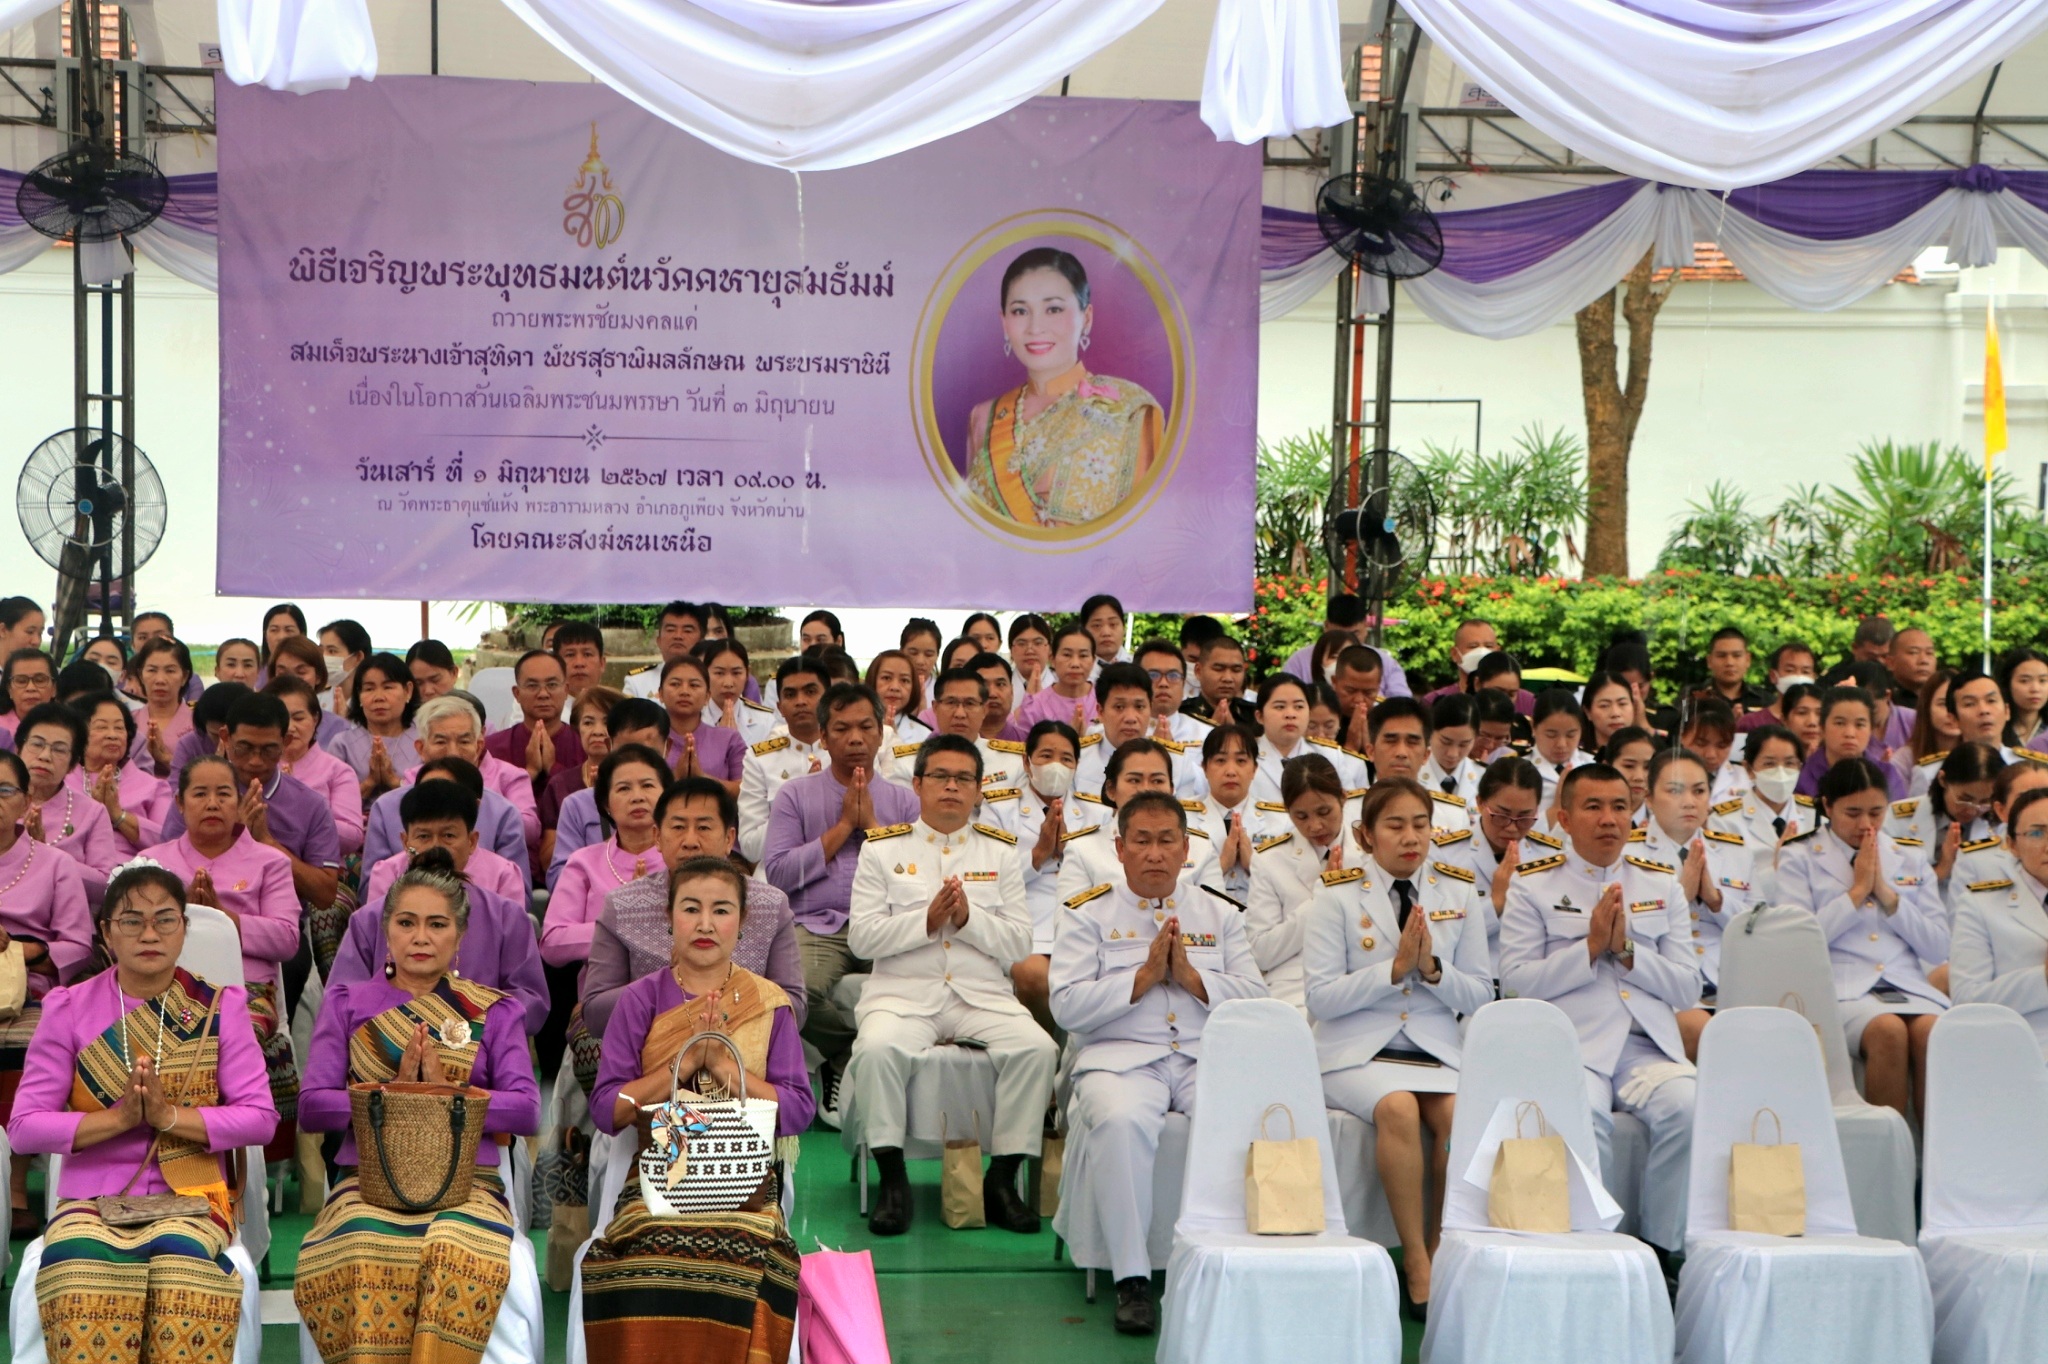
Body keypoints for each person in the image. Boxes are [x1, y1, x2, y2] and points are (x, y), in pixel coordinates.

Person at [8, 861, 277, 1364]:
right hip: (93, 1198)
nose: (149, 933)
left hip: (193, 1197)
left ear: (184, 929)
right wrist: (118, 1120)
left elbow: (260, 1118)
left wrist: (169, 1117)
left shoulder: (221, 1008)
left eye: (164, 919)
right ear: (107, 932)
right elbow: (24, 1129)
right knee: (77, 1269)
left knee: (186, 1271)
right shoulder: (69, 1007)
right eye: (131, 920)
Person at [294, 852, 540, 1364]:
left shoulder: (492, 1010)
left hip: (468, 1182)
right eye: (407, 923)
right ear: (387, 933)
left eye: (437, 924)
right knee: (359, 1245)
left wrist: (443, 1098)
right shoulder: (346, 1002)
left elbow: (524, 1111)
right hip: (366, 1181)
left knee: (456, 1248)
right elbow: (313, 1106)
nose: (421, 937)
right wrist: (390, 1099)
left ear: (460, 936)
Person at [1050, 791, 1266, 1335]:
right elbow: (1066, 1005)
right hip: (1120, 1060)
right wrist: (1140, 980)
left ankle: (1227, 1259)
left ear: (1186, 848)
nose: (1154, 853)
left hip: (1201, 1059)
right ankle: (1132, 1279)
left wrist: (1193, 979)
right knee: (1122, 1121)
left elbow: (1256, 997)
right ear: (1119, 849)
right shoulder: (1087, 913)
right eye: (1141, 841)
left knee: (1241, 1121)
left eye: (1166, 840)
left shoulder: (1219, 912)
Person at [582, 856, 813, 1364]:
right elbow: (606, 1109)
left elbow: (797, 1111)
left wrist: (727, 1069)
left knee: (752, 1250)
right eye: (691, 908)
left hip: (745, 1182)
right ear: (670, 917)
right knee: (644, 1251)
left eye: (721, 910)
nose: (706, 924)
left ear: (743, 922)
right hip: (654, 1179)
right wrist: (681, 1067)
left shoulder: (768, 1003)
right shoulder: (639, 1001)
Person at [846, 733, 1055, 1235]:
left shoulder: (1003, 853)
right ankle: (892, 1179)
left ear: (980, 791)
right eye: (940, 776)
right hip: (902, 995)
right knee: (876, 1049)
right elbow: (861, 939)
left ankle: (1000, 1179)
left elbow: (1018, 942)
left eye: (964, 778)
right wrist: (925, 919)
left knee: (1039, 1049)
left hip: (980, 995)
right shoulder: (882, 850)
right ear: (916, 784)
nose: (951, 787)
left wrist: (967, 919)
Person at [1305, 778, 1492, 1318]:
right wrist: (1391, 972)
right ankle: (1415, 1259)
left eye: (1420, 824)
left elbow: (1481, 991)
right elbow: (1320, 998)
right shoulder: (1334, 894)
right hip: (1355, 1049)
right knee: (1398, 1108)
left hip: (1434, 1045)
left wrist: (1432, 970)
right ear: (1365, 835)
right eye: (1395, 825)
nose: (1411, 837)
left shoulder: (1457, 891)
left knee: (1458, 1116)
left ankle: (1441, 1249)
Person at [1499, 764, 1700, 1264]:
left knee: (1691, 1107)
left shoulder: (1662, 884)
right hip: (1574, 1048)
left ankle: (1660, 1247)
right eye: (1593, 807)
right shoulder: (1533, 885)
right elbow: (1517, 983)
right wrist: (1588, 948)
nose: (1609, 819)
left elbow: (1688, 986)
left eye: (1619, 807)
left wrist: (1629, 952)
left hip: (1643, 1048)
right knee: (1584, 1116)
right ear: (1564, 818)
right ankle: (1599, 1247)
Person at [761, 683, 920, 1122]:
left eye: (866, 727)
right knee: (796, 996)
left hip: (886, 925)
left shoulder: (904, 799)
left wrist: (868, 824)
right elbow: (777, 872)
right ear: (824, 737)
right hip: (817, 924)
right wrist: (840, 828)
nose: (855, 738)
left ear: (881, 733)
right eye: (842, 729)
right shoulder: (795, 795)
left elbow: (914, 878)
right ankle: (847, 1053)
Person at [146, 754, 303, 1149]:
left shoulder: (270, 863)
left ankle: (219, 1137)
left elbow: (287, 939)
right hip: (164, 988)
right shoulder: (151, 863)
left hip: (246, 991)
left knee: (225, 1036)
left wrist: (224, 920)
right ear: (180, 804)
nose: (212, 803)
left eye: (223, 794)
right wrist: (175, 914)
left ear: (240, 804)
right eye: (200, 794)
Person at [1779, 757, 1949, 1120]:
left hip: (1907, 983)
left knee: (1933, 1032)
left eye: (1876, 812)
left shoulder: (1909, 857)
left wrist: (1887, 895)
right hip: (1841, 987)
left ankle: (1935, 1162)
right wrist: (1856, 893)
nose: (1866, 825)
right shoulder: (1800, 856)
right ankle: (1890, 1158)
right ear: (1827, 806)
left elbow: (1937, 945)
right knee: (1887, 1031)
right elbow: (1797, 943)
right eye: (1852, 813)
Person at [581, 777, 804, 1038]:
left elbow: (794, 1009)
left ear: (729, 838)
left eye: (704, 828)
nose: (690, 841)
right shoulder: (621, 906)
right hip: (648, 1047)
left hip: (745, 1046)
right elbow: (595, 1013)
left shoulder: (770, 905)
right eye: (677, 827)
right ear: (657, 837)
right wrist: (670, 983)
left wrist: (724, 990)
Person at [961, 248, 1165, 527]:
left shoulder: (1130, 410)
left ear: (1087, 318)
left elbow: (1149, 531)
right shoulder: (983, 418)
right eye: (1020, 311)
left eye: (1053, 309)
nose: (1035, 327)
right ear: (1005, 324)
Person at [330, 779, 549, 1030]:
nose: (435, 847)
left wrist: (466, 1022)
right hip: (386, 1051)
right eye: (423, 836)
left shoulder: (507, 918)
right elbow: (340, 1002)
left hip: (480, 1050)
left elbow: (532, 1002)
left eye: (448, 835)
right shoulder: (368, 920)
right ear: (405, 842)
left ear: (472, 842)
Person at [1632, 748, 1757, 1058]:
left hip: (1729, 987)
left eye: (1699, 791)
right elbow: (1625, 939)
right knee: (1708, 1034)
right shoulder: (1627, 855)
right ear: (1649, 798)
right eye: (1675, 791)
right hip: (1662, 990)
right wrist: (1680, 896)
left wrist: (1717, 901)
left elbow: (1761, 929)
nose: (1689, 801)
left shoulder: (1736, 852)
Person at [0, 747, 94, 1146]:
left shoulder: (55, 863)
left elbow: (79, 945)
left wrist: (22, 951)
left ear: (26, 800)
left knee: (30, 1043)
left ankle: (16, 1183)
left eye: (4, 790)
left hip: (30, 990)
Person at [543, 744, 670, 989]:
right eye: (623, 788)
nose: (637, 796)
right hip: (603, 1000)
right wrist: (621, 922)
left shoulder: (684, 860)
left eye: (647, 785)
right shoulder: (584, 862)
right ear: (606, 804)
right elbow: (553, 942)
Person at [994, 720, 1091, 1030]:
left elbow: (1107, 876)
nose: (1056, 766)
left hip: (1081, 916)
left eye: (1066, 759)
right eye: (1046, 756)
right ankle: (1049, 1052)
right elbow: (993, 878)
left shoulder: (1098, 811)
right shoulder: (1000, 808)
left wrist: (1068, 852)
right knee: (1033, 975)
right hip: (1026, 914)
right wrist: (1038, 854)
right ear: (1026, 761)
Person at [1246, 753, 1353, 1012]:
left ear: (1343, 797)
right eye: (1301, 817)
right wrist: (1322, 897)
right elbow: (1261, 951)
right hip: (1294, 986)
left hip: (1356, 977)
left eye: (1324, 812)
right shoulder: (1270, 859)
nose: (1315, 826)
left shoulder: (1372, 850)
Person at [1950, 785, 2048, 1054]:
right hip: (2024, 1050)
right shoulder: (1981, 904)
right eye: (2037, 833)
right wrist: (2043, 979)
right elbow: (1966, 1002)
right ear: (2013, 845)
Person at [1057, 739, 1216, 904]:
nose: (1146, 789)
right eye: (1134, 780)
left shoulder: (1201, 847)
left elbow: (1217, 918)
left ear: (1171, 789)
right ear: (1111, 789)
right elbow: (1069, 924)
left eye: (1157, 781)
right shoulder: (1082, 850)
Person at [1436, 755, 1550, 973]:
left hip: (1530, 980)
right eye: (1501, 816)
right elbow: (1443, 933)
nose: (1512, 828)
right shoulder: (1446, 855)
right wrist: (1496, 902)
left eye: (1524, 818)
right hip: (1468, 977)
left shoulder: (1548, 856)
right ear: (1480, 803)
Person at [546, 699, 669, 890]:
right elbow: (559, 880)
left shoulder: (684, 802)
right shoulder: (577, 805)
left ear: (667, 746)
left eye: (647, 752)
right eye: (626, 751)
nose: (637, 761)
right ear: (609, 745)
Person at [16, 701, 122, 900]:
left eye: (59, 749)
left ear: (73, 764)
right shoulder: (4, 802)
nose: (45, 756)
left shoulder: (92, 812)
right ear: (18, 748)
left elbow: (103, 886)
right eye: (37, 744)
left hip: (64, 915)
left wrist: (43, 855)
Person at [737, 657, 830, 863]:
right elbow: (750, 847)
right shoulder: (759, 759)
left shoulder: (851, 752)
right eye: (790, 694)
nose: (800, 701)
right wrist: (797, 804)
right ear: (779, 707)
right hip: (777, 878)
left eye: (810, 692)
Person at [1708, 723, 1813, 900]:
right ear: (1749, 770)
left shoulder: (1817, 816)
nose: (1781, 772)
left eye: (1789, 763)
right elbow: (1730, 893)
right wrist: (1779, 866)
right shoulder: (1724, 822)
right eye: (1769, 764)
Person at [267, 675, 365, 857]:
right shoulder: (255, 768)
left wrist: (299, 804)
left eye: (298, 718)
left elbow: (352, 838)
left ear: (315, 719)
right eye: (281, 718)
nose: (290, 727)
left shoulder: (338, 771)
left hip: (321, 871)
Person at [1182, 722, 1280, 902]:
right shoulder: (1180, 818)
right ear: (1204, 768)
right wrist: (1220, 866)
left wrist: (1254, 866)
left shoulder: (1281, 820)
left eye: (1241, 761)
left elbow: (1290, 891)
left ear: (1254, 769)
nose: (1231, 771)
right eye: (1220, 760)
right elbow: (1173, 888)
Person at [1887, 741, 2003, 888]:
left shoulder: (2000, 825)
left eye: (1984, 802)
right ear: (1943, 780)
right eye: (1964, 799)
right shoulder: (1898, 817)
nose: (1972, 810)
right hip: (1917, 908)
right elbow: (1891, 883)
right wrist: (1942, 868)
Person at [1073, 663, 1194, 799]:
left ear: (1150, 708)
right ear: (1100, 711)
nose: (1131, 718)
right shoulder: (1078, 758)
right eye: (1119, 707)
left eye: (1139, 706)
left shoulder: (1177, 761)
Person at [72, 690, 170, 852]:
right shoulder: (60, 781)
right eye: (101, 727)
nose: (112, 735)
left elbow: (167, 839)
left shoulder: (155, 787)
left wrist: (117, 814)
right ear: (77, 734)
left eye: (119, 728)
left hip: (132, 871)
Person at [1249, 673, 1367, 804]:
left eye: (1299, 707)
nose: (1290, 714)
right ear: (1259, 716)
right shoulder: (1245, 756)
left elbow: (1350, 809)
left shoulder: (1331, 756)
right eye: (1280, 707)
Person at [539, 684, 624, 864]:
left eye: (607, 722)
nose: (598, 731)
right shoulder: (560, 784)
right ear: (577, 730)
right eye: (588, 722)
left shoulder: (639, 782)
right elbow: (548, 860)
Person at [328, 651, 421, 802]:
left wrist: (393, 781)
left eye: (388, 687)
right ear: (358, 695)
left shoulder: (424, 741)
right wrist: (369, 782)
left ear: (408, 691)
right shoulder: (342, 744)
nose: (379, 697)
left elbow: (431, 799)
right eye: (369, 689)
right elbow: (332, 802)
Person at [1287, 595, 1412, 699]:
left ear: (1365, 627)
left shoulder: (1386, 663)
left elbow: (1403, 705)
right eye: (1338, 634)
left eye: (1354, 634)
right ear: (1326, 626)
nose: (1347, 641)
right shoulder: (1298, 661)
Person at [487, 649, 582, 786]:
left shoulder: (584, 745)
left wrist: (553, 768)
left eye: (552, 685)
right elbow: (490, 802)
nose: (543, 694)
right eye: (532, 686)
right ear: (517, 694)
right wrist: (529, 773)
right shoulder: (493, 748)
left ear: (566, 690)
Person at [657, 654, 746, 797]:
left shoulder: (728, 739)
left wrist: (702, 778)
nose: (684, 692)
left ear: (707, 697)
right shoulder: (648, 738)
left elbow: (745, 789)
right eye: (675, 684)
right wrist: (675, 777)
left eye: (694, 685)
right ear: (660, 694)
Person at [1794, 684, 1900, 799]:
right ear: (1822, 727)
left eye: (1859, 724)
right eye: (1840, 723)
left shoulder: (1887, 774)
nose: (1850, 733)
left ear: (1871, 729)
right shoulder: (1801, 777)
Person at [269, 635, 351, 750]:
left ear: (318, 676)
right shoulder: (260, 721)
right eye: (283, 673)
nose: (292, 680)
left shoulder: (338, 727)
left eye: (301, 672)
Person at [1014, 623, 1100, 732]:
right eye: (1067, 655)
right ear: (1052, 659)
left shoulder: (1104, 700)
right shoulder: (1035, 706)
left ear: (1093, 661)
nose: (1075, 663)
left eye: (1083, 655)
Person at [122, 638, 191, 764]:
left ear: (184, 677)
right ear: (141, 675)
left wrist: (165, 759)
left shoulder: (199, 724)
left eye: (170, 671)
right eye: (152, 670)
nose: (160, 680)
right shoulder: (126, 721)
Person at [701, 636, 778, 747]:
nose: (728, 683)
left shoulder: (765, 722)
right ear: (704, 673)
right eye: (719, 673)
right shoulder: (692, 719)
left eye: (736, 673)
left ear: (747, 673)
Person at [623, 601, 708, 699]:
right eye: (670, 630)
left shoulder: (711, 679)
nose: (678, 636)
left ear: (702, 641)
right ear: (659, 641)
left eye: (687, 631)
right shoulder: (636, 682)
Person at [1528, 690, 1592, 810]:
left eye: (1571, 735)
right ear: (1533, 727)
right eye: (1551, 735)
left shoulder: (1593, 766)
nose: (1561, 744)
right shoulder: (1517, 768)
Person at [1180, 633, 1254, 728]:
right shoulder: (1181, 714)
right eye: (1219, 669)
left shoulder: (1256, 715)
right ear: (1198, 671)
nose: (1228, 678)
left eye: (1236, 670)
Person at [1677, 695, 1743, 801]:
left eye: (1722, 746)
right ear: (1682, 736)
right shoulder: (1661, 777)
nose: (1711, 755)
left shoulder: (1745, 779)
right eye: (1701, 744)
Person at [865, 648, 932, 750]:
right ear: (872, 680)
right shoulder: (852, 727)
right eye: (886, 678)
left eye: (904, 680)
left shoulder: (926, 736)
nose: (895, 687)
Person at [1420, 694, 1482, 805]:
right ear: (1430, 731)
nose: (1452, 754)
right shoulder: (1412, 773)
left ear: (1476, 739)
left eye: (1464, 744)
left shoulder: (1484, 778)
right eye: (1445, 742)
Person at [970, 650, 1030, 744]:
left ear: (1012, 691)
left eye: (1000, 684)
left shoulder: (1029, 743)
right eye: (984, 685)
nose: (992, 694)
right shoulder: (953, 744)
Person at [1821, 615, 1895, 685]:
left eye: (1884, 656)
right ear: (1855, 648)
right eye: (1872, 657)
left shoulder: (1899, 677)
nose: (1880, 662)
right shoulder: (1833, 679)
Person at [553, 620, 609, 700]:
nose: (579, 663)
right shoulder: (547, 711)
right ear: (555, 664)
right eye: (570, 655)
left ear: (602, 663)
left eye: (587, 654)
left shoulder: (616, 709)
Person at [1886, 628, 1938, 713]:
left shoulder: (1945, 697)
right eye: (1913, 652)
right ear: (1891, 662)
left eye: (1929, 653)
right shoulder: (1884, 700)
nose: (1924, 660)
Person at [1008, 613, 1054, 703]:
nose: (1030, 651)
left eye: (1037, 643)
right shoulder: (1001, 686)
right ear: (1011, 650)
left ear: (1049, 648)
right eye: (1021, 643)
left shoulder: (1063, 684)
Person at [258, 602, 307, 679]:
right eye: (274, 630)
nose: (281, 637)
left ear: (302, 635)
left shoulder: (311, 672)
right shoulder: (255, 673)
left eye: (289, 630)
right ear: (265, 635)